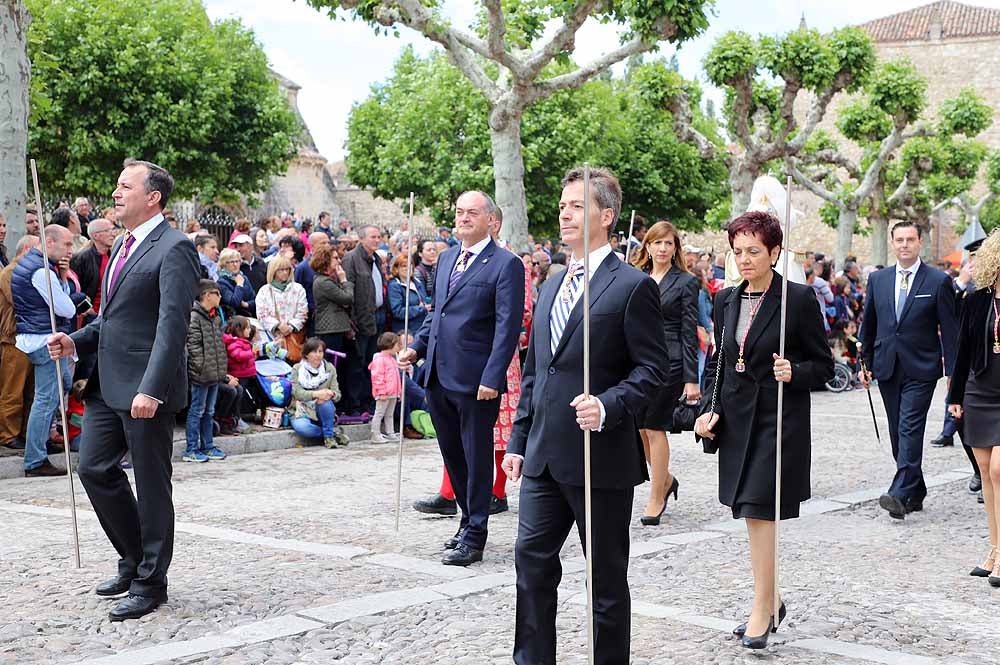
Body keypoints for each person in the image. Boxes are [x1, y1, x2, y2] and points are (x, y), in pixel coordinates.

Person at [502, 166, 667, 664]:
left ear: (606, 215)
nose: (564, 213)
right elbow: (537, 373)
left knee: (606, 582)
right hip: (543, 458)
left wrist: (609, 404)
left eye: (576, 205)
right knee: (530, 565)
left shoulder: (632, 286)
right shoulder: (551, 284)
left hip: (601, 458)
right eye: (561, 205)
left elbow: (653, 369)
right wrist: (517, 442)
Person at [47, 158, 200, 621]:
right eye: (116, 185)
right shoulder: (122, 246)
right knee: (93, 469)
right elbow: (111, 318)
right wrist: (74, 339)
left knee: (152, 486)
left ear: (152, 197)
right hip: (105, 385)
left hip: (145, 392)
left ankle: (152, 581)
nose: (115, 193)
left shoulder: (174, 247)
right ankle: (134, 559)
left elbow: (172, 325)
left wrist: (152, 388)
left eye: (124, 186)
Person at [694, 210, 833, 649]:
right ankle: (771, 600)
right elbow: (719, 364)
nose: (745, 259)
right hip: (736, 421)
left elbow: (824, 365)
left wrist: (795, 371)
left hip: (779, 421)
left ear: (774, 252)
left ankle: (761, 605)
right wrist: (707, 408)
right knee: (748, 510)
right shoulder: (725, 300)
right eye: (738, 252)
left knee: (759, 509)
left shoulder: (798, 299)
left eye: (754, 251)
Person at [398, 190, 525, 567]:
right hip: (438, 372)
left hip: (475, 380)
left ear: (492, 220)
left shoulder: (506, 264)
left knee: (476, 455)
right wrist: (417, 348)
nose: (464, 218)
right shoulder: (449, 256)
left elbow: (507, 326)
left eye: (472, 212)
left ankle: (476, 533)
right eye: (459, 212)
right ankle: (465, 521)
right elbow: (436, 313)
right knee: (452, 454)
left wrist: (493, 374)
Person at [860, 221, 958, 519]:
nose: (904, 244)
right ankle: (916, 490)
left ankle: (900, 492)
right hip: (887, 366)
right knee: (896, 433)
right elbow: (869, 324)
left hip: (922, 367)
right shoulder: (878, 280)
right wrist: (864, 362)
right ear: (892, 242)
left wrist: (953, 372)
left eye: (910, 239)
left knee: (909, 428)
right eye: (899, 239)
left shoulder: (938, 280)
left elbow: (950, 331)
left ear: (919, 243)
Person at [630, 220, 700, 525]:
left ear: (675, 249)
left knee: (654, 426)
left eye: (668, 243)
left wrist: (691, 378)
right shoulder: (635, 277)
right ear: (647, 246)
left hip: (669, 362)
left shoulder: (685, 282)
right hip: (636, 360)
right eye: (657, 242)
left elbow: (688, 331)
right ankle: (666, 479)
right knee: (640, 429)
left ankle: (656, 497)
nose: (662, 248)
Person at [947, 230, 1000, 585]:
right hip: (980, 392)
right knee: (985, 472)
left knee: (999, 470)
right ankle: (994, 549)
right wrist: (955, 396)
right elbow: (962, 351)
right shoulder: (977, 300)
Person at [12, 226, 76, 476]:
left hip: (38, 337)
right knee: (46, 399)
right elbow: (68, 309)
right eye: (67, 244)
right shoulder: (41, 271)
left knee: (63, 385)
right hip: (44, 341)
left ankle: (42, 443)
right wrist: (62, 279)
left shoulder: (33, 264)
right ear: (50, 242)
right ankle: (35, 460)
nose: (70, 250)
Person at [0, 235, 40, 454]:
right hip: (14, 337)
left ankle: (25, 432)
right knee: (12, 390)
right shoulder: (9, 273)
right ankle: (8, 434)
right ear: (26, 249)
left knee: (31, 390)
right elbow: (23, 302)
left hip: (30, 336)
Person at [341, 225, 385, 416]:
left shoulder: (376, 259)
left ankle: (368, 400)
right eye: (373, 237)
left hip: (375, 317)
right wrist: (352, 322)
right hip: (359, 320)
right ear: (362, 239)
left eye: (379, 237)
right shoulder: (351, 259)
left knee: (371, 363)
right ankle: (355, 403)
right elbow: (348, 291)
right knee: (357, 364)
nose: (377, 240)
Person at [184, 280, 228, 463]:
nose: (220, 297)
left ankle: (208, 445)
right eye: (217, 293)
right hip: (202, 374)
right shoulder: (194, 317)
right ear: (207, 295)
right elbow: (193, 348)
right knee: (197, 411)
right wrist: (201, 369)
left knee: (209, 411)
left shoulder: (215, 317)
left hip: (214, 374)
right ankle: (191, 449)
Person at [290, 337, 347, 448]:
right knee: (303, 428)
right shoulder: (297, 369)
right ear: (306, 354)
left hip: (322, 410)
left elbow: (337, 394)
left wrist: (330, 394)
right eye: (314, 352)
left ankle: (328, 438)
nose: (318, 355)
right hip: (301, 410)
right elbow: (296, 392)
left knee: (325, 402)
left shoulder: (329, 368)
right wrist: (315, 394)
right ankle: (330, 435)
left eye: (320, 351)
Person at [254, 255, 308, 353]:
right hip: (272, 339)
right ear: (273, 271)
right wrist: (278, 326)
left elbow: (303, 312)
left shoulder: (298, 288)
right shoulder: (264, 291)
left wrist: (291, 327)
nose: (284, 272)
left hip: (294, 338)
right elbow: (261, 314)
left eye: (287, 269)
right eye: (280, 270)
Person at [223, 316, 262, 418]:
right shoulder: (234, 342)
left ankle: (239, 416)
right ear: (239, 330)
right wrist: (251, 352)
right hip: (239, 375)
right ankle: (235, 417)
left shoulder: (244, 342)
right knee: (239, 398)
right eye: (247, 327)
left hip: (246, 374)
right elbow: (238, 356)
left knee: (244, 396)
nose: (250, 330)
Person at [369, 331, 401, 443]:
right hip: (384, 393)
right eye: (397, 344)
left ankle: (390, 433)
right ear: (390, 345)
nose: (399, 347)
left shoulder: (392, 359)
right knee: (379, 413)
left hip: (392, 392)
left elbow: (396, 377)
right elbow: (377, 377)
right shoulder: (379, 359)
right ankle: (375, 434)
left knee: (389, 414)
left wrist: (399, 392)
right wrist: (381, 392)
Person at [387, 254, 428, 334]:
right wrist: (421, 309)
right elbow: (398, 312)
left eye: (410, 265)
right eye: (404, 266)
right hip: (406, 331)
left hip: (421, 327)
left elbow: (424, 300)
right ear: (396, 269)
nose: (408, 268)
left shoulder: (417, 282)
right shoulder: (395, 286)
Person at [216, 248, 255, 318]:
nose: (235, 264)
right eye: (231, 262)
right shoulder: (221, 282)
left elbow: (254, 300)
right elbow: (234, 303)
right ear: (224, 264)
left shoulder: (244, 278)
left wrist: (247, 304)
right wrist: (239, 285)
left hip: (249, 316)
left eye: (237, 261)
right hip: (232, 320)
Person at [412, 239, 438, 307]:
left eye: (434, 249)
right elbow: (422, 295)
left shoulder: (436, 268)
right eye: (429, 250)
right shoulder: (418, 272)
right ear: (420, 253)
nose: (432, 252)